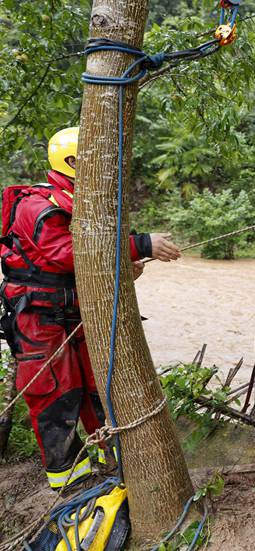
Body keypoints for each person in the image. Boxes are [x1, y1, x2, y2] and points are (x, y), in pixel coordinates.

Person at [0, 126, 180, 491]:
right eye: (93, 157)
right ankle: (67, 483)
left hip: (77, 312)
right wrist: (140, 244)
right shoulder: (38, 205)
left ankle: (112, 465)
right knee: (56, 395)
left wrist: (121, 271)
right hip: (39, 317)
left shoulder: (83, 202)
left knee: (100, 389)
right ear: (71, 162)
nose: (104, 164)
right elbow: (68, 254)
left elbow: (87, 257)